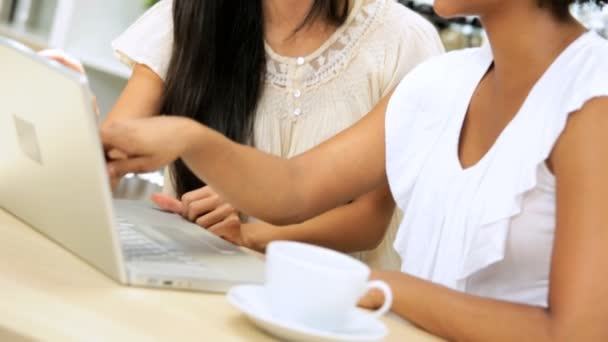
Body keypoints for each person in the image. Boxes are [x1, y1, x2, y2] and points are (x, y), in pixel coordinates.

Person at [100, 0, 608, 339]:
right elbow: (293, 188)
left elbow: (577, 331)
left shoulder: (593, 98)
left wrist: (385, 288)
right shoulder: (443, 83)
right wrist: (191, 138)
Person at [47, 0, 443, 270]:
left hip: (325, 298)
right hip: (197, 275)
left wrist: (250, 234)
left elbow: (369, 222)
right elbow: (116, 147)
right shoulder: (193, 11)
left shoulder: (403, 41)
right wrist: (85, 134)